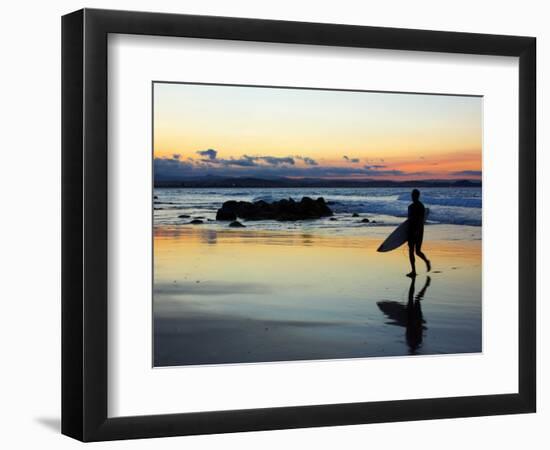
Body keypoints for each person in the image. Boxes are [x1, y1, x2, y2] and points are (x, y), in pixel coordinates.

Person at [407, 189, 431, 277]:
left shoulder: (420, 206)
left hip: (417, 231)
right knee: (411, 251)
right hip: (411, 231)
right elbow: (409, 220)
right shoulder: (411, 207)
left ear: (417, 196)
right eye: (412, 195)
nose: (413, 197)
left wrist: (417, 231)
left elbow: (421, 220)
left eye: (414, 196)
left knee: (417, 251)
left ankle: (426, 261)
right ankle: (413, 271)